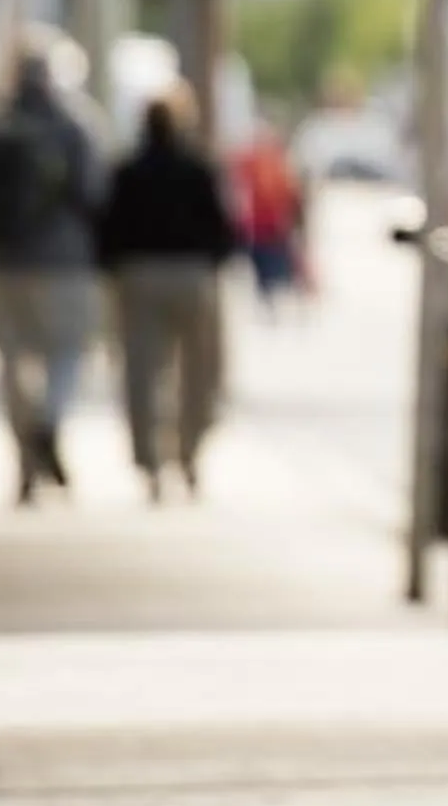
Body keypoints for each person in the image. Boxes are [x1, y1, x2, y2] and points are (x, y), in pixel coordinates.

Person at [0, 53, 105, 504]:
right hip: (65, 263)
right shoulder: (76, 128)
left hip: (3, 262)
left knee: (12, 364)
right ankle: (49, 420)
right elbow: (94, 193)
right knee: (67, 352)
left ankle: (24, 461)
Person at [98, 88, 242, 500]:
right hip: (191, 275)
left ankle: (150, 462)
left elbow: (108, 228)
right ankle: (188, 451)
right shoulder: (198, 169)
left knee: (142, 372)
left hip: (139, 275)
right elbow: (223, 228)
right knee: (199, 373)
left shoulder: (128, 171)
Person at [231, 123, 308, 312]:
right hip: (263, 224)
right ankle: (272, 297)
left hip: (268, 223)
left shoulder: (270, 161)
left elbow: (291, 192)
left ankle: (273, 297)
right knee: (268, 263)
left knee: (271, 263)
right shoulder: (262, 161)